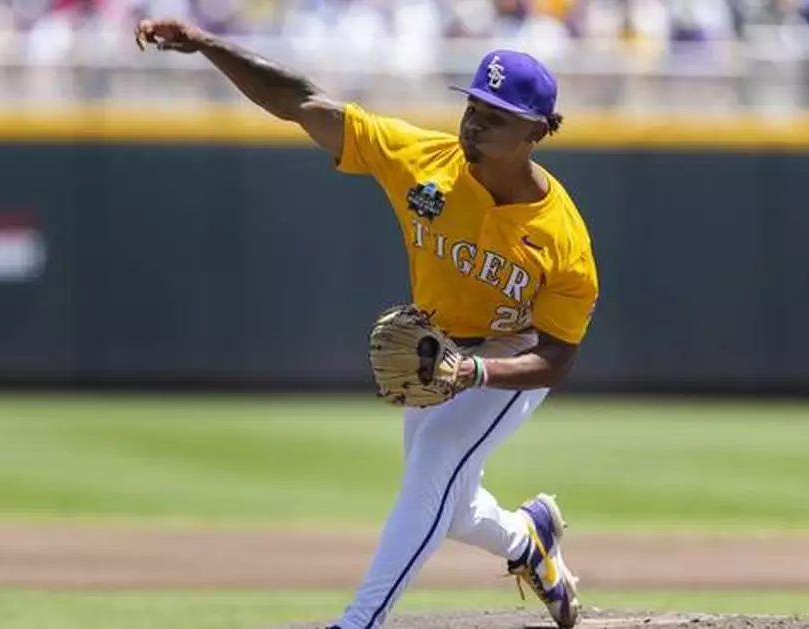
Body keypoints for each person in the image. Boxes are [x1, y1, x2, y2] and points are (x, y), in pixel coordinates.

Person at [134, 17, 598, 629]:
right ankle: (526, 542)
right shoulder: (422, 159)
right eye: (474, 105)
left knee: (434, 464)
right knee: (449, 507)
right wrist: (207, 45)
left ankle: (360, 621)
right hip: (435, 345)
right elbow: (304, 103)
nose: (476, 121)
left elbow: (558, 360)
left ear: (536, 131)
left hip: (510, 354)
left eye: (497, 113)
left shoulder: (562, 240)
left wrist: (479, 371)